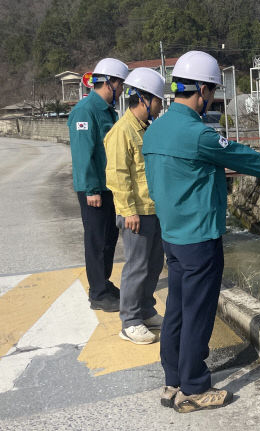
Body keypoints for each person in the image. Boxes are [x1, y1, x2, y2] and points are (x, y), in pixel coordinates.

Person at [142, 51, 260, 413]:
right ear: (201, 90)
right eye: (211, 90)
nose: (210, 97)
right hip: (199, 237)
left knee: (178, 310)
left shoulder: (157, 130)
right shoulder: (198, 134)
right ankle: (194, 388)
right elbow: (241, 155)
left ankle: (173, 380)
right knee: (198, 312)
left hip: (173, 235)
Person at [103, 68, 166, 345]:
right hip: (135, 212)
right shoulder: (122, 131)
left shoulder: (145, 129)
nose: (159, 106)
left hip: (153, 209)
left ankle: (146, 309)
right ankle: (129, 320)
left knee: (153, 265)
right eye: (157, 101)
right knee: (137, 266)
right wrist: (128, 211)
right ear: (143, 99)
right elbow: (117, 175)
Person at [68, 58, 130, 312]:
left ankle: (103, 282)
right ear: (109, 83)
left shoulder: (107, 110)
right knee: (96, 240)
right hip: (94, 189)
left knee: (108, 238)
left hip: (108, 187)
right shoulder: (85, 110)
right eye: (121, 84)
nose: (123, 89)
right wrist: (91, 189)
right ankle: (97, 293)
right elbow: (84, 153)